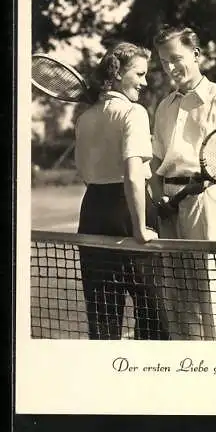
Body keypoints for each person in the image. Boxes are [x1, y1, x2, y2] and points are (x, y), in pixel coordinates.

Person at [150, 25, 216, 341]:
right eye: (164, 62)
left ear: (195, 55)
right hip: (169, 206)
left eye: (176, 59)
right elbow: (156, 162)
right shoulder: (163, 106)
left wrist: (209, 176)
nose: (170, 68)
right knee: (179, 305)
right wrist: (157, 198)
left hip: (210, 201)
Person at [75, 42, 169, 340]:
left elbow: (85, 174)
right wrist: (140, 228)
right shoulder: (134, 112)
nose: (144, 82)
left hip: (92, 211)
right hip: (128, 213)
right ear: (117, 75)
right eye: (139, 74)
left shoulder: (85, 117)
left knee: (103, 321)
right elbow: (132, 174)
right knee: (153, 319)